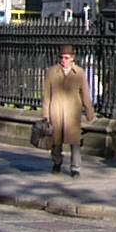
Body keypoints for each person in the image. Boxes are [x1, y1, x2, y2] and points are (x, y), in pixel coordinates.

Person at [42, 45, 94, 177]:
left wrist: (89, 113)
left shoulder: (79, 73)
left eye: (66, 58)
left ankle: (75, 168)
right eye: (61, 57)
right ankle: (57, 162)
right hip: (56, 111)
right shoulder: (52, 72)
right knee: (56, 141)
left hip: (73, 112)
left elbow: (85, 94)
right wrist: (45, 115)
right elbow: (47, 96)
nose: (63, 60)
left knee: (75, 142)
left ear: (72, 58)